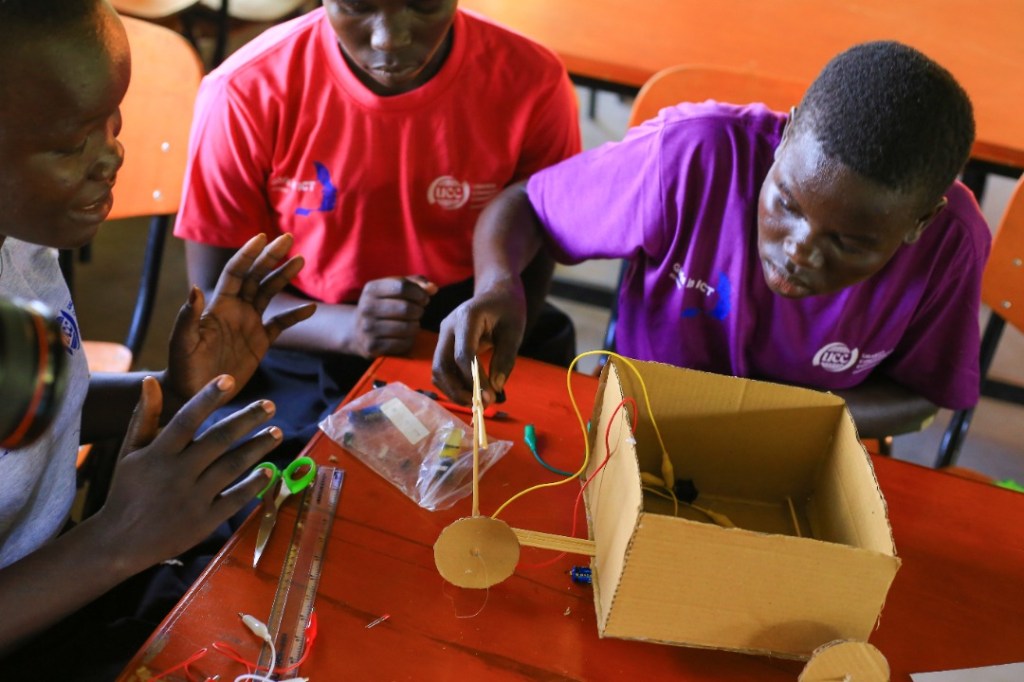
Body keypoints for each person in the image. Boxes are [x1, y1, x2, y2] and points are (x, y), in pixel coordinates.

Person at [433, 41, 989, 440]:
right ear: (786, 133)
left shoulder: (952, 244)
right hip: (639, 425)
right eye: (787, 204)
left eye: (849, 243)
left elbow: (921, 401)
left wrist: (767, 419)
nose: (799, 250)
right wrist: (499, 285)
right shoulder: (694, 156)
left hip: (801, 446)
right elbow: (527, 204)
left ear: (920, 222)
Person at [0, 0, 314, 675]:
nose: (111, 155)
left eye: (112, 123)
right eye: (70, 142)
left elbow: (29, 419)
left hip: (67, 582)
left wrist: (168, 392)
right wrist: (117, 541)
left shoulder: (20, 244)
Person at [174, 0, 582, 457]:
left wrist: (498, 292)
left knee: (533, 467)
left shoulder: (531, 80)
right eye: (357, 5)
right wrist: (350, 329)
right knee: (269, 485)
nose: (390, 38)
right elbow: (213, 295)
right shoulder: (245, 91)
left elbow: (540, 229)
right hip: (302, 330)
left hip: (473, 316)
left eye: (425, 5)